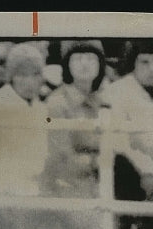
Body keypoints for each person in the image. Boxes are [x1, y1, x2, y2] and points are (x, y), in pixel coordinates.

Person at [106, 40, 153, 203]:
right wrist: (149, 173)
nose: (152, 68)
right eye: (145, 62)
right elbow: (121, 145)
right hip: (132, 177)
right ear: (133, 63)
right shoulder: (117, 91)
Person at [0, 42, 49, 195]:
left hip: (31, 187)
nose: (29, 82)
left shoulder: (40, 107)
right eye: (22, 75)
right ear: (11, 77)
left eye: (35, 74)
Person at [41, 39, 109, 198]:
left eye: (91, 59)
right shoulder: (56, 103)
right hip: (66, 186)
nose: (85, 64)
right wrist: (98, 162)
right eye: (78, 58)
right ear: (67, 64)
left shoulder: (104, 101)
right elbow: (60, 156)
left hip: (99, 183)